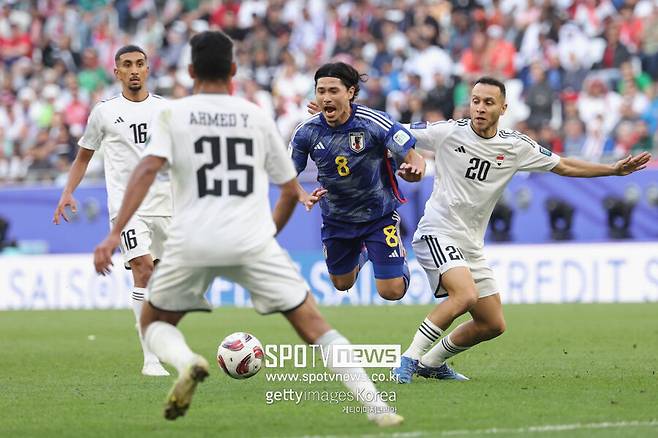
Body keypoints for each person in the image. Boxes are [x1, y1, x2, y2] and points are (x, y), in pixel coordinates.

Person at [93, 31, 403, 427]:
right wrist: (268, 235)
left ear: (190, 71)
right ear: (234, 70)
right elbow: (290, 190)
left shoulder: (173, 115)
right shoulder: (255, 116)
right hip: (250, 238)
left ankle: (188, 361)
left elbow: (145, 171)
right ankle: (377, 408)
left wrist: (113, 233)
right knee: (314, 326)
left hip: (193, 239)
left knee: (154, 323)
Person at [391, 76, 652, 383]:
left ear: (503, 107)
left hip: (471, 244)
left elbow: (564, 165)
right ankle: (408, 359)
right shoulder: (448, 132)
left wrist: (612, 169)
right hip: (437, 231)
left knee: (492, 323)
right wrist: (347, 116)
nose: (480, 108)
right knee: (463, 295)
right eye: (475, 101)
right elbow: (395, 132)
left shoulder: (515, 146)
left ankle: (431, 362)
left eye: (488, 102)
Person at [53, 45, 170, 377]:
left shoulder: (166, 109)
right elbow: (83, 157)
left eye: (140, 64)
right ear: (117, 72)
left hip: (166, 204)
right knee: (143, 270)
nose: (134, 70)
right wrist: (67, 191)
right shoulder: (104, 112)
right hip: (126, 208)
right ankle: (151, 359)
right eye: (127, 65)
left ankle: (158, 339)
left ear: (148, 69)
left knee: (158, 281)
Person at [291, 62, 426, 301]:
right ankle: (362, 251)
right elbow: (286, 173)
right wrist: (301, 194)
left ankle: (395, 257)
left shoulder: (374, 122)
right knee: (342, 284)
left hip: (378, 215)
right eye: (321, 91)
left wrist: (415, 169)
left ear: (351, 92)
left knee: (391, 291)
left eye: (334, 91)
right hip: (337, 218)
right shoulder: (306, 132)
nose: (326, 97)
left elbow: (413, 155)